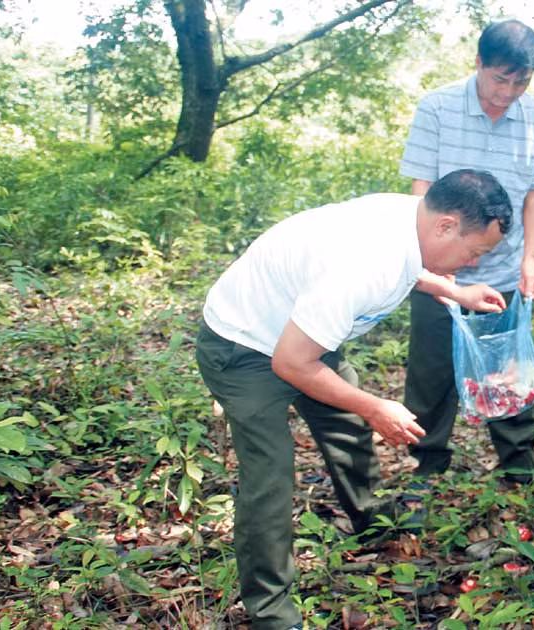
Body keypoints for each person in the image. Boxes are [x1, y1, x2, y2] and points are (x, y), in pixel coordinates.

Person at [195, 169, 512, 630]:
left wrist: (452, 289)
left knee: (347, 425)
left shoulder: (412, 219)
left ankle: (372, 520)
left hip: (302, 336)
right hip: (244, 348)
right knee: (270, 476)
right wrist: (374, 405)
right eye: (473, 252)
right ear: (446, 225)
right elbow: (291, 364)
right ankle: (272, 614)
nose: (472, 263)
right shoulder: (365, 263)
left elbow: (412, 266)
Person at [399, 19, 534, 495]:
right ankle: (427, 465)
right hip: (443, 265)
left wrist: (530, 258)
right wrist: (435, 255)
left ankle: (517, 463)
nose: (508, 91)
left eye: (521, 81)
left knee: (507, 367)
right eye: (499, 79)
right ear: (479, 63)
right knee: (431, 371)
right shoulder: (438, 108)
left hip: (503, 267)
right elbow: (422, 190)